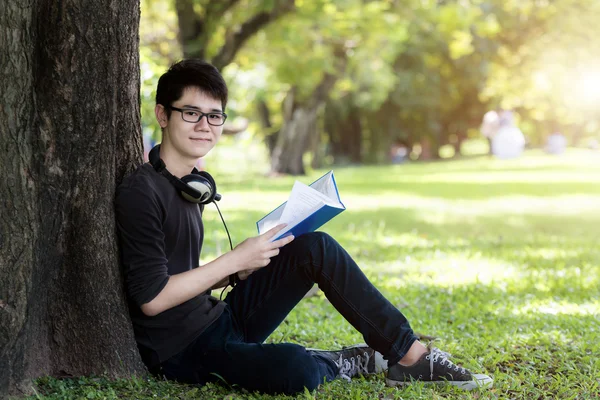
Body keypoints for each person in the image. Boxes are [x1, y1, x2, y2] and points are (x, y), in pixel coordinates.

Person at [115, 59, 493, 395]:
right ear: (162, 115)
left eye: (215, 115)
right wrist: (233, 261)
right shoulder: (142, 191)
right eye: (191, 113)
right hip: (181, 350)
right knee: (296, 370)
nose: (205, 126)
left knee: (315, 247)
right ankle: (343, 361)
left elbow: (181, 276)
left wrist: (242, 267)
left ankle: (411, 356)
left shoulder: (192, 186)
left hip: (219, 320)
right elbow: (152, 299)